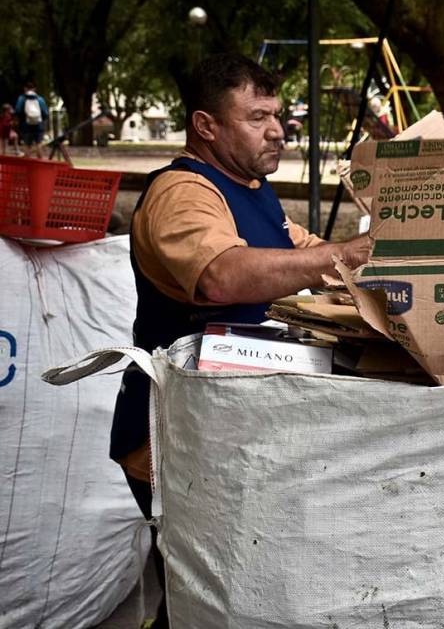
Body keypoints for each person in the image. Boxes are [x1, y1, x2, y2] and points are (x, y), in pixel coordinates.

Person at [112, 53, 371, 628]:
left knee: (230, 596)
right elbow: (221, 274)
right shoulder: (183, 191)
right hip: (174, 437)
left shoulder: (252, 189)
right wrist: (342, 256)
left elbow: (306, 256)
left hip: (229, 429)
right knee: (200, 600)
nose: (277, 129)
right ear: (206, 126)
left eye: (277, 115)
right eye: (257, 117)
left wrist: (369, 259)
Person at [14, 82, 48, 158]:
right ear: (35, 89)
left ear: (25, 88)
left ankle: (28, 166)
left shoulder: (22, 98)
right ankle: (40, 163)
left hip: (25, 125)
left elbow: (17, 110)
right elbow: (45, 113)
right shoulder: (40, 99)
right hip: (38, 125)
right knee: (39, 143)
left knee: (27, 144)